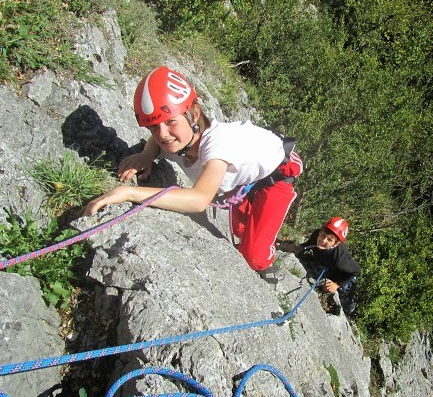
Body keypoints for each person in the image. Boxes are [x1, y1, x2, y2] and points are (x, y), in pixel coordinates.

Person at [83, 66, 303, 273]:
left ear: (194, 113)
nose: (162, 135)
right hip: (243, 178)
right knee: (240, 231)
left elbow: (198, 200)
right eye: (153, 126)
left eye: (170, 122)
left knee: (253, 257)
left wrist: (128, 193)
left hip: (278, 174)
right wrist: (147, 155)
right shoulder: (180, 137)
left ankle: (270, 267)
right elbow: (159, 139)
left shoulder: (217, 146)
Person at [285, 217, 360, 316]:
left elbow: (356, 271)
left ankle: (349, 308)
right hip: (327, 265)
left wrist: (337, 284)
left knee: (344, 298)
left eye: (329, 239)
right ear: (320, 231)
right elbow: (310, 244)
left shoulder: (340, 260)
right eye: (323, 235)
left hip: (342, 275)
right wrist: (300, 248)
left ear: (336, 243)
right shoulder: (317, 235)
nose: (323, 240)